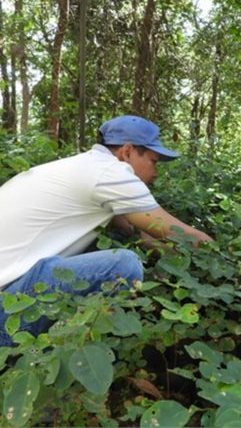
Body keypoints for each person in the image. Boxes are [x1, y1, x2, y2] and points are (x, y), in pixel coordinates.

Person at [0, 115, 212, 345]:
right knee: (123, 265)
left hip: (12, 290)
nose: (156, 173)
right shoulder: (112, 174)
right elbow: (178, 234)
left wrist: (165, 259)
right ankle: (63, 348)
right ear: (128, 152)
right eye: (154, 161)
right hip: (7, 306)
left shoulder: (83, 166)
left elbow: (132, 228)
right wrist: (219, 255)